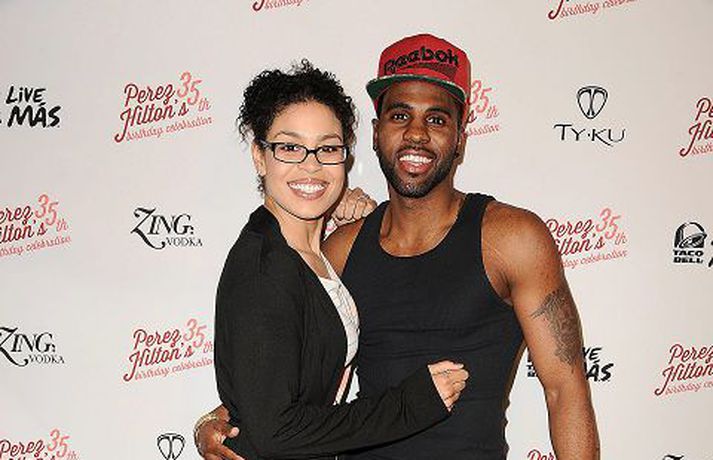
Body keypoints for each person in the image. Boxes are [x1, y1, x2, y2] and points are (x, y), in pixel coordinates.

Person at [198, 35, 599, 460]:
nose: (416, 134)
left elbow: (564, 390)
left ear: (460, 139)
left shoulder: (512, 238)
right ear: (376, 133)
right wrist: (215, 421)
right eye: (400, 115)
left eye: (437, 119)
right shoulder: (339, 250)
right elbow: (284, 378)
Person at [210, 60, 469, 460]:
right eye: (290, 147)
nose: (311, 165)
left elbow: (273, 386)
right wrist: (407, 406)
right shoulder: (265, 267)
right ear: (260, 156)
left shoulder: (313, 253)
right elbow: (273, 432)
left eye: (327, 148)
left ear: (344, 158)